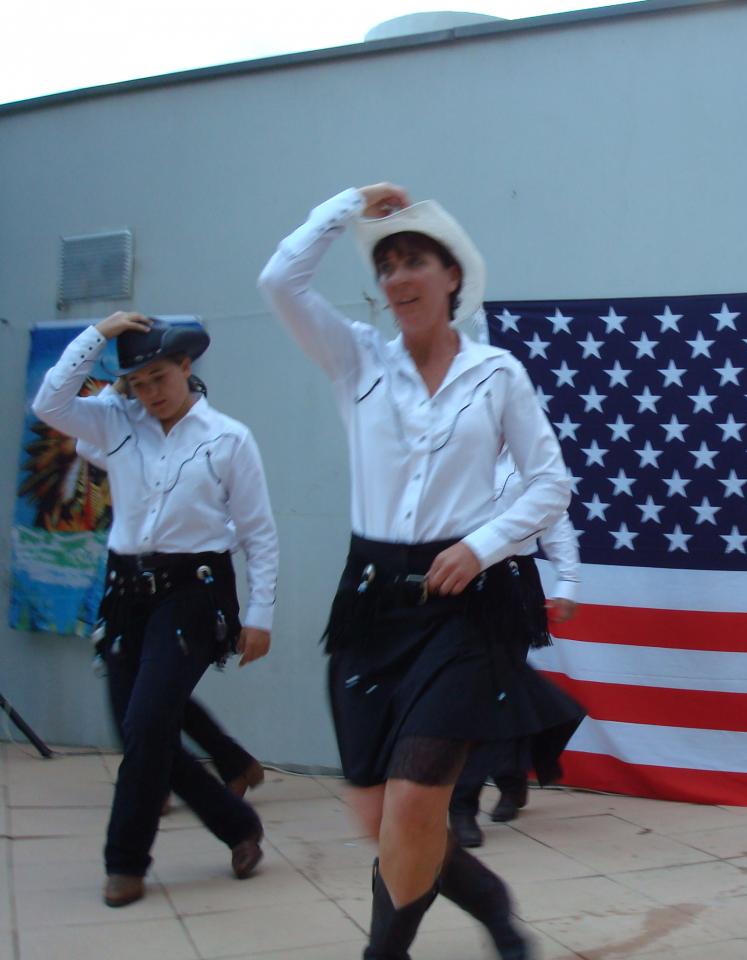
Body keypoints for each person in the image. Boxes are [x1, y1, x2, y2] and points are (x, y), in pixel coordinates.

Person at [259, 182, 582, 960]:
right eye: (388, 265)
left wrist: (485, 544)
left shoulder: (496, 373)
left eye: (416, 262)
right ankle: (493, 906)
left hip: (466, 606)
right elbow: (278, 282)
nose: (399, 279)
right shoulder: (355, 360)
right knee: (378, 819)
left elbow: (549, 482)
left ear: (451, 278)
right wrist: (343, 207)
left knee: (410, 809)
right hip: (372, 603)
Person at [32, 314, 278, 908]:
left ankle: (125, 863)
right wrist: (99, 332)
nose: (149, 393)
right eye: (137, 382)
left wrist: (261, 613)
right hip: (125, 593)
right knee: (145, 733)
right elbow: (49, 403)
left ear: (187, 367)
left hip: (193, 592)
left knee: (147, 726)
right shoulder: (114, 423)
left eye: (159, 377)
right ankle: (237, 825)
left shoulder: (228, 438)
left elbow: (258, 532)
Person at [78, 438, 267, 801]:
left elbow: (248, 533)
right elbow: (86, 445)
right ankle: (229, 763)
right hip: (135, 596)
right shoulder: (137, 451)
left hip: (192, 595)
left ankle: (161, 779)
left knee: (154, 698)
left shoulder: (215, 457)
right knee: (148, 694)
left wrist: (260, 613)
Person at [450, 459, 581, 847]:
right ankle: (510, 774)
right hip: (456, 582)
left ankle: (463, 803)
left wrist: (569, 581)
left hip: (510, 584)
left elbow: (555, 521)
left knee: (498, 688)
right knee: (471, 693)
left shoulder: (530, 457)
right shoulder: (454, 444)